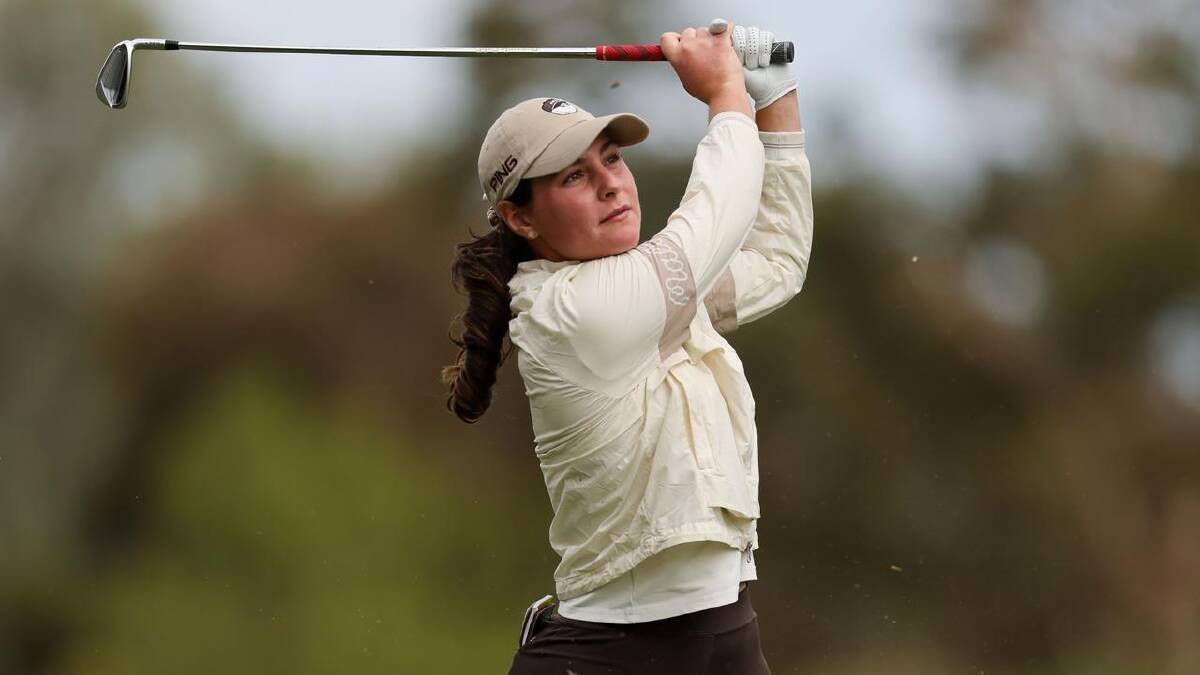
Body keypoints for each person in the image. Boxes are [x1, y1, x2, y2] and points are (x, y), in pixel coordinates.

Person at [443, 20, 812, 675]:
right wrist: (726, 93)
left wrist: (774, 90)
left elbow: (777, 261)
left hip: (726, 639)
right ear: (521, 218)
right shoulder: (573, 311)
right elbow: (716, 216)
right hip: (609, 657)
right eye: (573, 176)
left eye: (612, 158)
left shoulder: (655, 292)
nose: (612, 183)